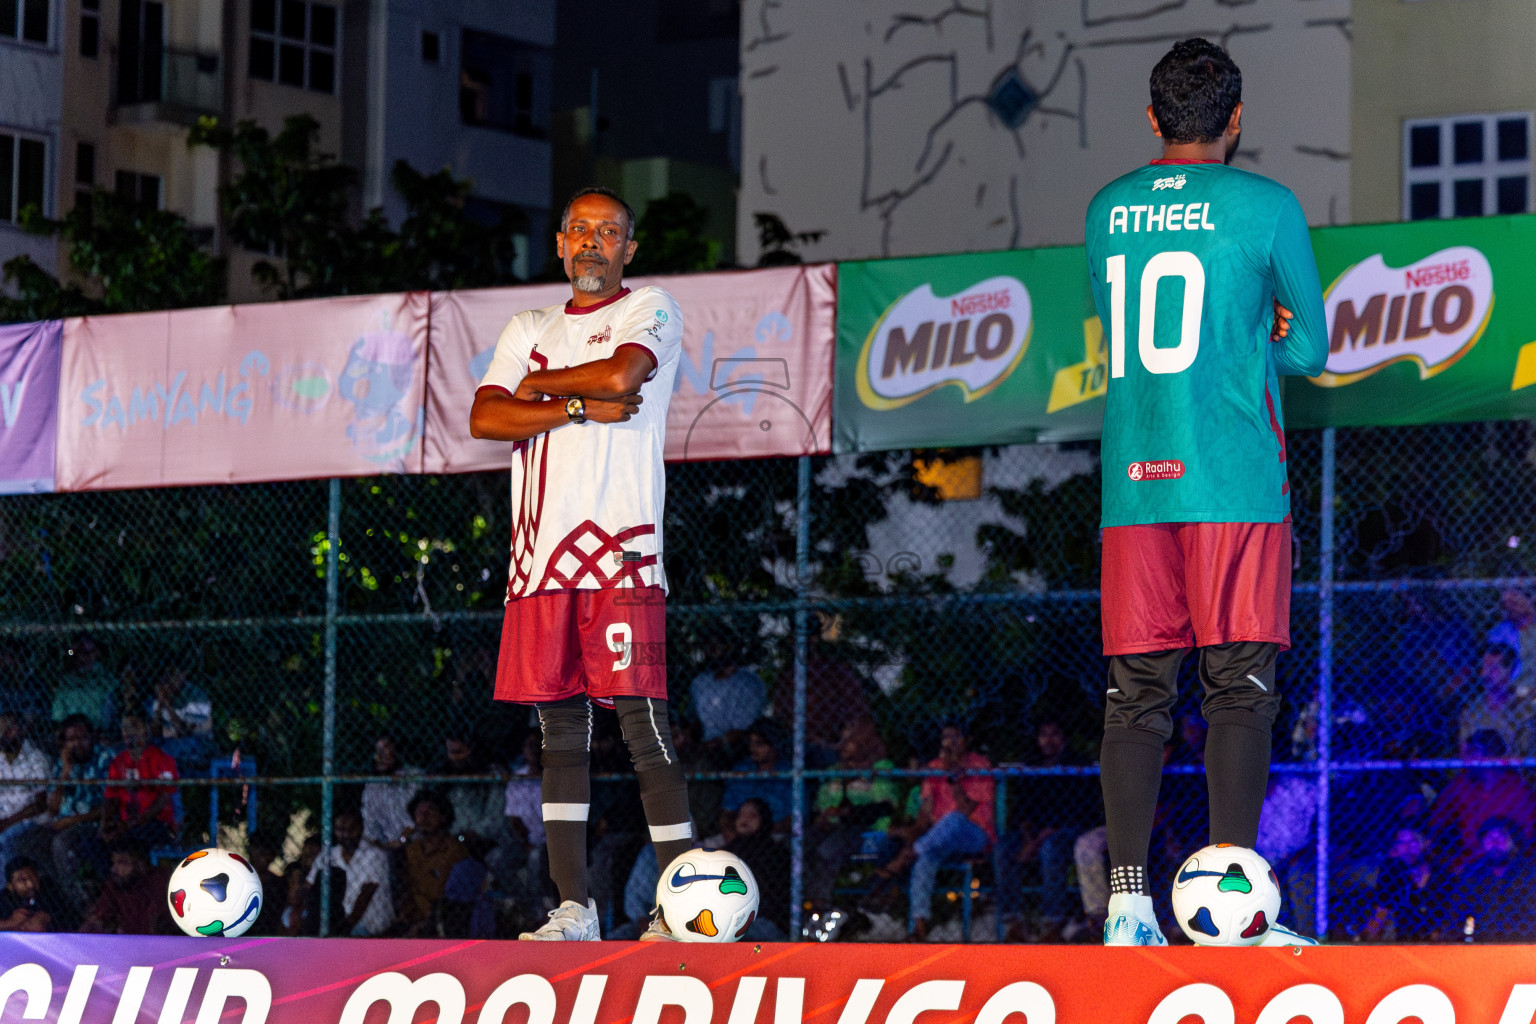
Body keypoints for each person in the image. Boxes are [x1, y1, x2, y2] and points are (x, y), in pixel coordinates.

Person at [1083, 37, 1327, 947]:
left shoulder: (1108, 209)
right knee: (1239, 690)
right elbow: (1309, 349)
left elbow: (1114, 326)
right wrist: (1259, 330)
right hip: (1233, 477)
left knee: (1136, 694)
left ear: (1152, 119)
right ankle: (1234, 912)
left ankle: (1129, 905)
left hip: (1134, 483)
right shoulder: (1266, 206)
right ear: (1235, 120)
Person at [468, 185, 692, 942]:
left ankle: (687, 906)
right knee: (558, 737)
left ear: (630, 249)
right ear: (560, 244)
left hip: (623, 553)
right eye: (580, 231)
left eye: (610, 232)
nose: (593, 243)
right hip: (539, 562)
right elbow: (484, 415)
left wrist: (539, 386)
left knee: (644, 728)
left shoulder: (650, 307)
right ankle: (575, 908)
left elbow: (623, 377)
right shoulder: (528, 324)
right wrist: (571, 406)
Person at [879, 723, 995, 942]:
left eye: (956, 736)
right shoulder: (934, 767)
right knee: (926, 859)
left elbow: (965, 809)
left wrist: (953, 776)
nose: (950, 742)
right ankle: (919, 926)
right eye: (946, 737)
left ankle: (905, 857)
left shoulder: (980, 765)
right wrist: (910, 831)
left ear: (967, 739)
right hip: (938, 837)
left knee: (952, 819)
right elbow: (925, 813)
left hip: (974, 834)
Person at [1428, 729, 1536, 874]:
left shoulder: (1516, 788)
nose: (1465, 759)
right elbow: (1438, 815)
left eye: (1472, 752)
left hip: (1513, 861)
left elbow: (1527, 833)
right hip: (1470, 862)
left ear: (1490, 754)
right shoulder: (1462, 783)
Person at [304, 809, 392, 937]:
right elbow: (309, 886)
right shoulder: (328, 855)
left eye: (350, 829)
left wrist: (343, 930)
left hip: (369, 926)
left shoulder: (374, 854)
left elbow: (367, 894)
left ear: (360, 828)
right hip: (336, 924)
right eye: (339, 829)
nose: (344, 834)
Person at [1448, 817, 1536, 942]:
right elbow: (1455, 914)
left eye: (1501, 838)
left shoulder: (1528, 872)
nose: (1495, 843)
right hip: (1483, 940)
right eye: (1489, 838)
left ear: (1513, 842)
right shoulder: (1472, 874)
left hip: (1523, 940)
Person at [102, 714, 180, 850]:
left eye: (135, 727)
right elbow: (111, 797)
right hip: (126, 823)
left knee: (134, 838)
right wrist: (105, 822)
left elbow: (164, 798)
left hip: (157, 822)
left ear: (145, 730)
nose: (130, 733)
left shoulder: (162, 759)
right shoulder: (118, 762)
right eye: (125, 728)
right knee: (101, 838)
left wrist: (136, 822)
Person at [398, 789, 468, 937]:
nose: (423, 817)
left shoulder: (455, 852)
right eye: (419, 812)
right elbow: (408, 890)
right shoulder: (412, 850)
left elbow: (452, 901)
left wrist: (427, 922)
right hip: (414, 919)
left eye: (430, 811)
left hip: (444, 923)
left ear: (443, 817)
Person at [1362, 827, 1447, 942]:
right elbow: (1382, 909)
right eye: (1402, 843)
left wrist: (1423, 878)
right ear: (1394, 849)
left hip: (1429, 924)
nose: (1408, 846)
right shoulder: (1392, 869)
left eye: (1412, 841)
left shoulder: (1433, 866)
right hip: (1405, 927)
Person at [0, 709, 51, 880]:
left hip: (29, 821)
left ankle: (5, 896)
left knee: (5, 839)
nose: (5, 734)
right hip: (4, 819)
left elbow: (41, 804)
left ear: (20, 729)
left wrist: (8, 822)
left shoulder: (36, 758)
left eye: (9, 728)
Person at [80, 840, 171, 934]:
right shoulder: (116, 883)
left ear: (141, 864)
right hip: (128, 942)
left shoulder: (160, 881)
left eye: (122, 863)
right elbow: (99, 916)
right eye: (113, 863)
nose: (114, 869)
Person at [145, 660, 215, 770]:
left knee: (184, 744)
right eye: (164, 676)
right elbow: (153, 731)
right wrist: (160, 702)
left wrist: (167, 703)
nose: (168, 680)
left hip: (196, 746)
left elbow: (182, 731)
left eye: (172, 674)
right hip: (168, 744)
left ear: (183, 674)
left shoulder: (197, 696)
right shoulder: (155, 698)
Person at [360, 734, 420, 850]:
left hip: (416, 841)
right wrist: (381, 845)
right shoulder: (372, 786)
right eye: (377, 751)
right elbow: (370, 826)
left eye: (385, 749)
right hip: (386, 846)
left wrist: (403, 839)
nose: (379, 756)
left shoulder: (414, 777)